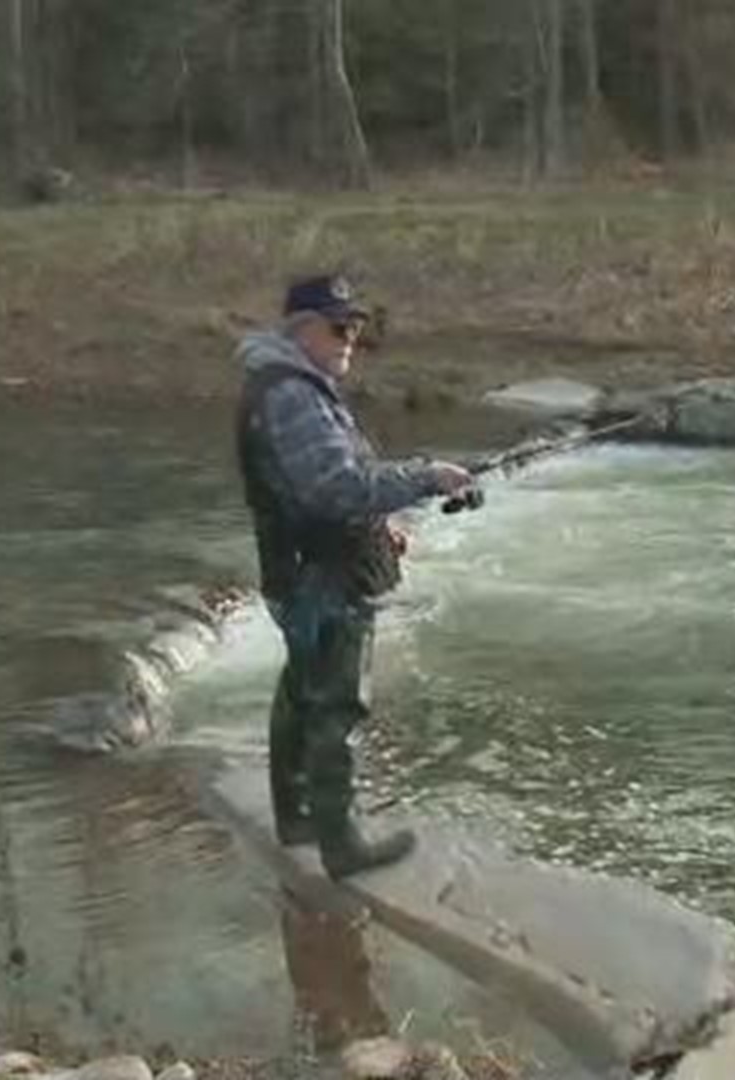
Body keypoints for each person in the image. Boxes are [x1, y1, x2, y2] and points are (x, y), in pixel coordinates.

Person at [233, 272, 474, 879]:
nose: (351, 338)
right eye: (340, 327)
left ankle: (297, 818)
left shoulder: (296, 387)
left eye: (357, 328)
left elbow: (327, 486)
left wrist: (379, 526)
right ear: (302, 329)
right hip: (321, 578)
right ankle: (341, 843)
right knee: (336, 703)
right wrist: (427, 475)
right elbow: (335, 488)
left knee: (301, 690)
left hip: (305, 568)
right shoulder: (290, 394)